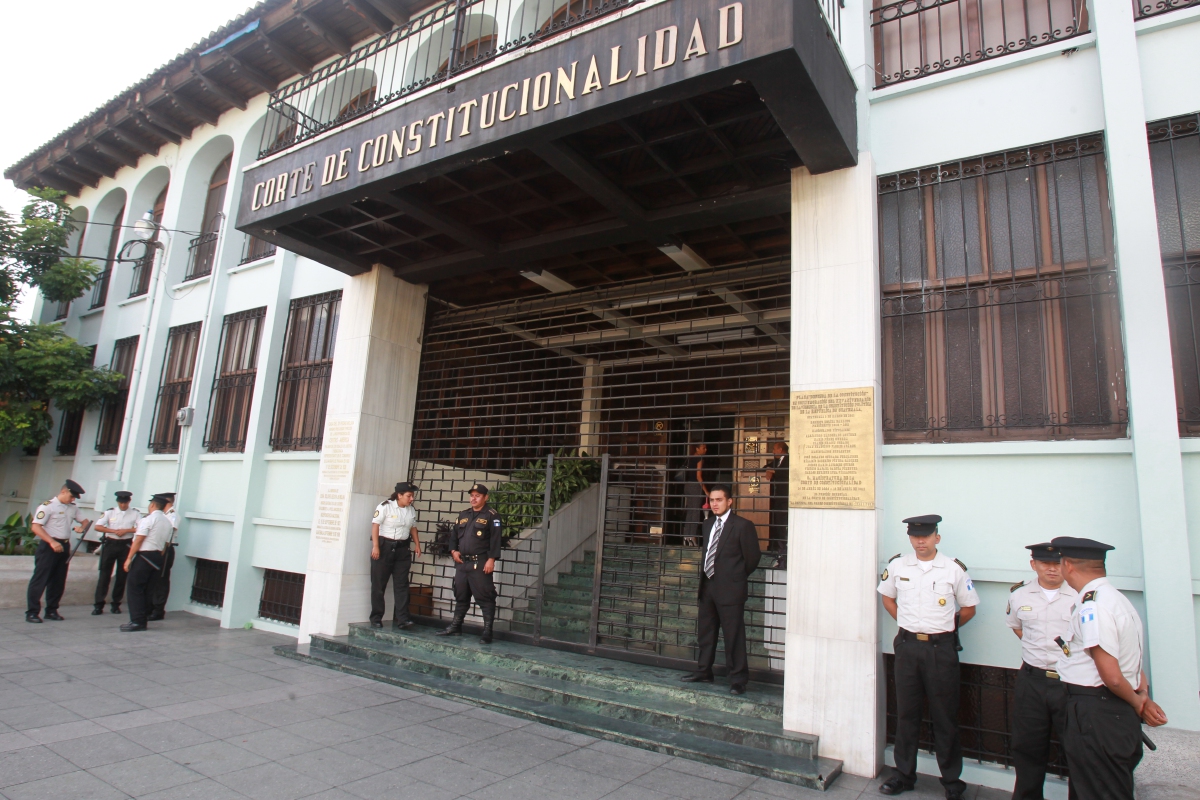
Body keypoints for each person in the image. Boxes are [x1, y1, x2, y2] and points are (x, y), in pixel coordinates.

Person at [1052, 536, 1167, 800]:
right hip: (1113, 709)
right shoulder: (1116, 599)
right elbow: (1133, 661)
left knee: (1100, 791)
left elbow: (1113, 677)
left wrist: (1139, 704)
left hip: (1097, 711)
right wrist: (1142, 696)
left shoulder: (1093, 606)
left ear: (1067, 565)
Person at [877, 514, 979, 799]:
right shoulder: (898, 566)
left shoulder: (953, 569)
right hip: (908, 647)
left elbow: (969, 607)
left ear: (937, 537)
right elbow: (887, 597)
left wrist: (944, 629)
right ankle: (904, 776)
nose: (920, 541)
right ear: (910, 538)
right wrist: (906, 623)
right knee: (907, 714)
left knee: (944, 716)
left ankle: (952, 782)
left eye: (926, 535)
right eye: (915, 536)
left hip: (941, 650)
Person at [1006, 542, 1078, 800]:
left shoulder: (1079, 596)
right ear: (1033, 564)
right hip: (1032, 680)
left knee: (1076, 751)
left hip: (1070, 683)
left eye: (1057, 563)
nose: (1052, 569)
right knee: (1027, 748)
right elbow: (1017, 627)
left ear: (1066, 565)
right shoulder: (1019, 596)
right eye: (1045, 563)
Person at [681, 484, 761, 695]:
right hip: (708, 587)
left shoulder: (743, 526)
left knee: (733, 635)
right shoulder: (707, 524)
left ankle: (738, 679)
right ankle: (704, 671)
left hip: (731, 589)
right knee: (706, 633)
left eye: (719, 500)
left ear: (729, 502)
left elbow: (752, 558)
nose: (714, 504)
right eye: (712, 500)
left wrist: (735, 576)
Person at [436, 483, 502, 644]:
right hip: (462, 563)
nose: (473, 498)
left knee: (485, 597)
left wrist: (491, 559)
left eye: (477, 495)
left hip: (480, 563)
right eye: (472, 495)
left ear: (486, 497)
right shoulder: (463, 514)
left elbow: (495, 540)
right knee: (461, 595)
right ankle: (456, 626)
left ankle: (487, 631)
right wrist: (453, 551)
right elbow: (453, 536)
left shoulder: (492, 516)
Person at [26, 480, 92, 623]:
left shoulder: (72, 508)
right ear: (63, 492)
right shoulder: (48, 507)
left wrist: (82, 528)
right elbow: (36, 527)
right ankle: (32, 612)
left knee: (58, 580)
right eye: (71, 496)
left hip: (64, 546)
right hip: (49, 546)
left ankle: (51, 610)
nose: (73, 499)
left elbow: (85, 521)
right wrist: (52, 541)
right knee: (40, 579)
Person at [370, 482, 422, 630]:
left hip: (402, 550)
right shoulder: (385, 506)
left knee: (402, 585)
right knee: (379, 585)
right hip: (384, 548)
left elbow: (413, 527)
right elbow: (375, 525)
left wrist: (417, 544)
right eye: (409, 496)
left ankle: (403, 619)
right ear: (399, 495)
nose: (411, 498)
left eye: (412, 496)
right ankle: (376, 618)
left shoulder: (411, 510)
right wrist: (376, 546)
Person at [121, 494, 175, 632]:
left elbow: (139, 540)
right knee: (148, 590)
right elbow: (166, 544)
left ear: (152, 505)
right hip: (157, 556)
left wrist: (129, 558)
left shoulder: (149, 519)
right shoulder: (167, 522)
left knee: (135, 588)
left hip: (144, 556)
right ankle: (142, 618)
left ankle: (137, 621)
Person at [91, 490, 142, 615]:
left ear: (129, 501)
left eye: (125, 502)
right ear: (117, 502)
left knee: (122, 576)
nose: (123, 505)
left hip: (125, 544)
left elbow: (140, 528)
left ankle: (116, 604)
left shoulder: (135, 513)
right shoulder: (110, 512)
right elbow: (98, 526)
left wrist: (126, 530)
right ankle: (98, 604)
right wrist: (113, 531)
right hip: (110, 543)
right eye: (120, 502)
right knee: (104, 575)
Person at [148, 492, 178, 621]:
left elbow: (168, 533)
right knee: (153, 579)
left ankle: (158, 610)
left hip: (165, 549)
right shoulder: (162, 515)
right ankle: (150, 607)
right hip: (156, 548)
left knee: (161, 580)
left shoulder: (173, 515)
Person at [681, 443, 710, 547]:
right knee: (696, 511)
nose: (705, 450)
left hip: (687, 486)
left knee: (690, 511)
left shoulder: (690, 458)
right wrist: (706, 490)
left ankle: (686, 536)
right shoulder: (699, 459)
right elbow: (699, 476)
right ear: (697, 449)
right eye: (703, 448)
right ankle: (692, 537)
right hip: (695, 486)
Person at [763, 441, 788, 551]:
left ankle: (783, 548)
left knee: (783, 523)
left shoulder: (789, 460)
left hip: (785, 497)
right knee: (777, 522)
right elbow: (766, 467)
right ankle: (778, 546)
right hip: (777, 498)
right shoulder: (777, 461)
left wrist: (773, 471)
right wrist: (768, 469)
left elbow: (786, 473)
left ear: (780, 450)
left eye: (774, 449)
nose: (773, 451)